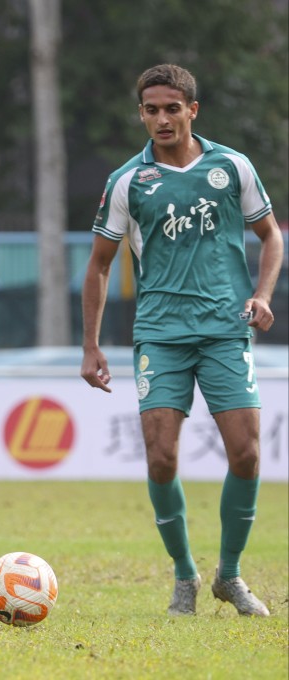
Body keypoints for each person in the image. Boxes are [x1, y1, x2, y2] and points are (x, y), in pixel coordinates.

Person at [81, 64, 283, 617]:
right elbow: (99, 265)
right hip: (160, 335)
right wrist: (91, 346)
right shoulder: (129, 181)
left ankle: (231, 576)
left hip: (224, 330)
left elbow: (270, 236)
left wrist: (262, 296)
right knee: (162, 457)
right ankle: (185, 575)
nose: (162, 118)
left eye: (173, 108)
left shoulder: (232, 166)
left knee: (245, 454)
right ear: (141, 114)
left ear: (193, 110)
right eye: (152, 109)